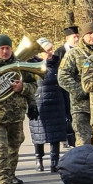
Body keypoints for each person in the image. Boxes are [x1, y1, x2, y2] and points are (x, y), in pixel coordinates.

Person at [0, 34, 38, 184]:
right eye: (1, 48)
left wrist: (23, 89)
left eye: (7, 48)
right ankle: (2, 182)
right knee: (1, 149)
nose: (5, 51)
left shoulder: (20, 65)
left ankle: (10, 178)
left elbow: (33, 85)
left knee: (14, 148)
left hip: (17, 115)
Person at [28, 38, 70, 173]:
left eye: (51, 49)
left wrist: (67, 107)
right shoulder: (31, 65)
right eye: (47, 50)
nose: (50, 52)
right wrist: (30, 105)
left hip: (57, 103)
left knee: (56, 135)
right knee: (38, 133)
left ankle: (54, 162)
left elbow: (64, 84)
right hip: (40, 103)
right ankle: (38, 159)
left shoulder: (58, 63)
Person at [58, 22, 93, 147]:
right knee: (83, 144)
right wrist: (81, 91)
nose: (92, 36)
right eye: (89, 33)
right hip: (81, 107)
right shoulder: (74, 53)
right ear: (83, 35)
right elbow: (62, 76)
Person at [54, 26, 80, 147]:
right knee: (66, 114)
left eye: (78, 37)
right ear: (67, 38)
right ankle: (67, 136)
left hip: (79, 88)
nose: (77, 39)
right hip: (64, 89)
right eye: (74, 37)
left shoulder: (81, 51)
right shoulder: (60, 52)